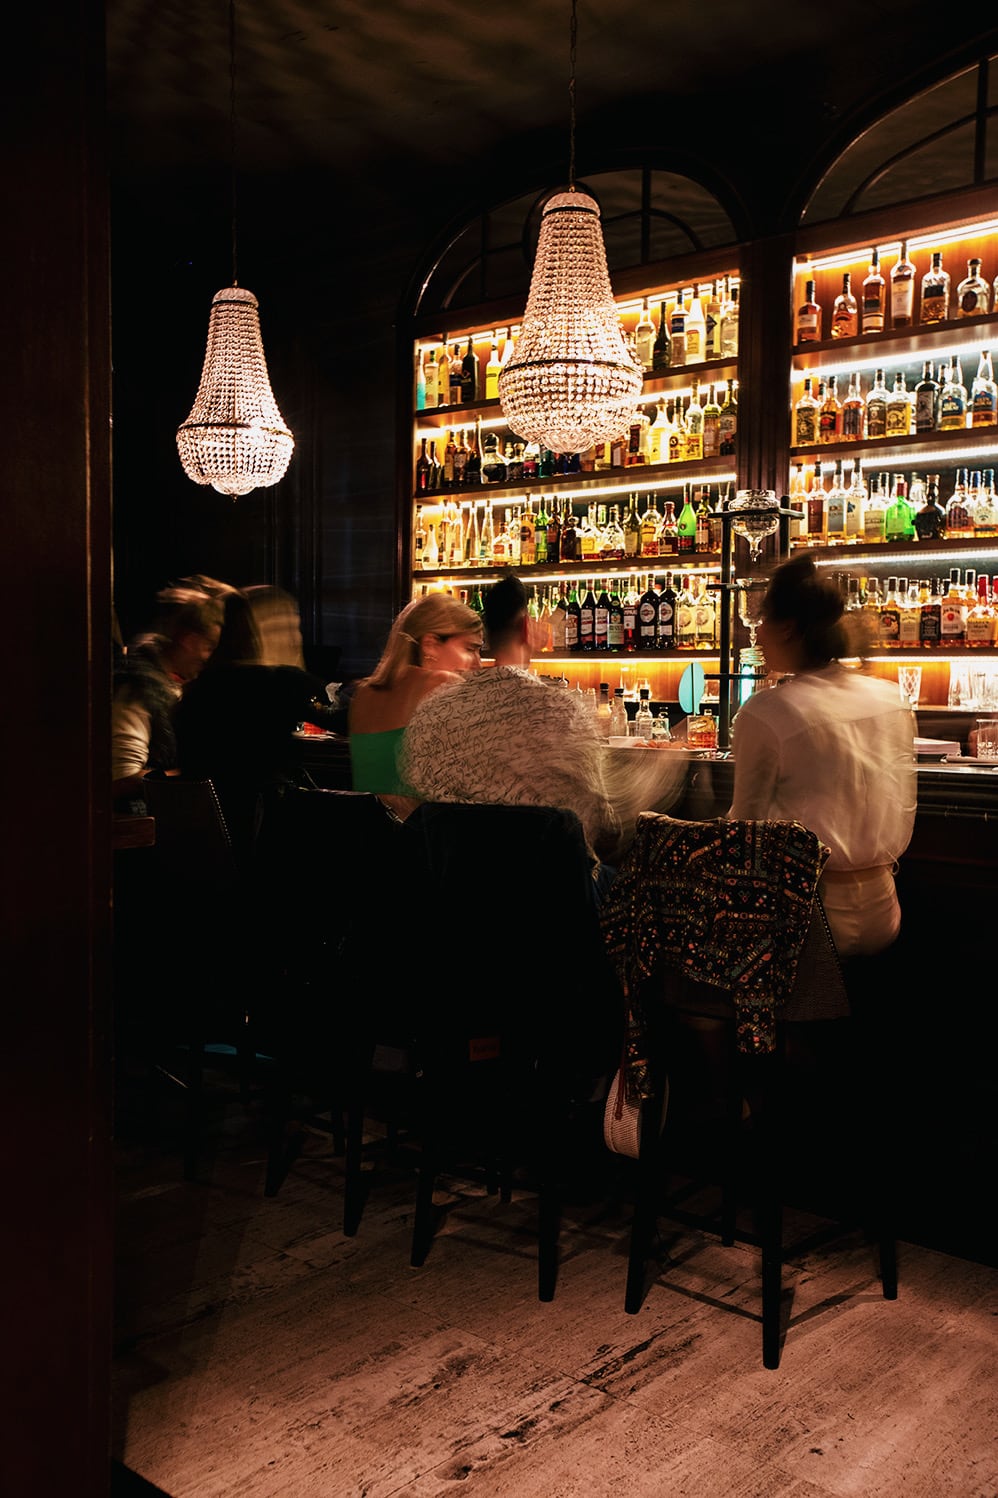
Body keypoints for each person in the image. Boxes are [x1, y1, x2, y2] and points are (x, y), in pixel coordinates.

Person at [727, 552, 916, 960]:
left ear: (790, 629)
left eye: (762, 623)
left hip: (809, 914)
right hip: (885, 907)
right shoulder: (888, 696)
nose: (756, 636)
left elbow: (746, 833)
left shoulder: (767, 711)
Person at [400, 574, 623, 869]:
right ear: (526, 628)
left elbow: (415, 809)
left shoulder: (433, 711)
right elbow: (603, 829)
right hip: (553, 900)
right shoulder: (563, 711)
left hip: (453, 898)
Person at [172, 585, 346, 858]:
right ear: (258, 631)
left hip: (196, 841)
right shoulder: (282, 681)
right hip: (269, 837)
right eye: (285, 626)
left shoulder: (197, 688)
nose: (294, 637)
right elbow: (346, 719)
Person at [348, 592, 483, 818]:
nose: (478, 663)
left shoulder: (363, 693)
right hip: (421, 844)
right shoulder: (442, 684)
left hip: (366, 839)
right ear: (430, 644)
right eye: (470, 649)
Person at [111, 580, 228, 807]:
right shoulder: (138, 689)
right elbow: (121, 780)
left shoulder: (171, 683)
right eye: (209, 647)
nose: (209, 658)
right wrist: (194, 773)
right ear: (189, 641)